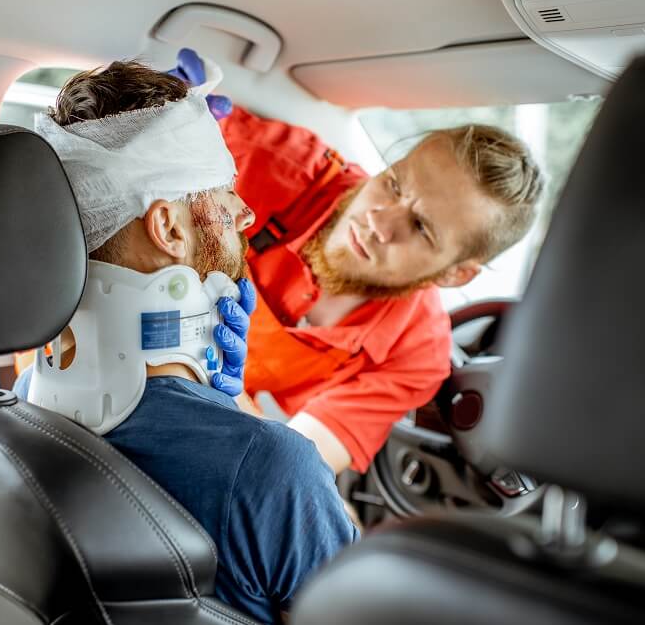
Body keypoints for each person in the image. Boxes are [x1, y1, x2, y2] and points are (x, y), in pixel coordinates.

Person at [15, 60, 358, 624]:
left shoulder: (26, 402)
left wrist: (221, 404)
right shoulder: (272, 470)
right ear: (170, 228)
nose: (244, 215)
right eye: (224, 198)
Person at [169, 50, 543, 476]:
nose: (378, 222)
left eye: (420, 227)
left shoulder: (416, 351)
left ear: (456, 274)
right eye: (393, 183)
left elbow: (293, 465)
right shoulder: (260, 159)